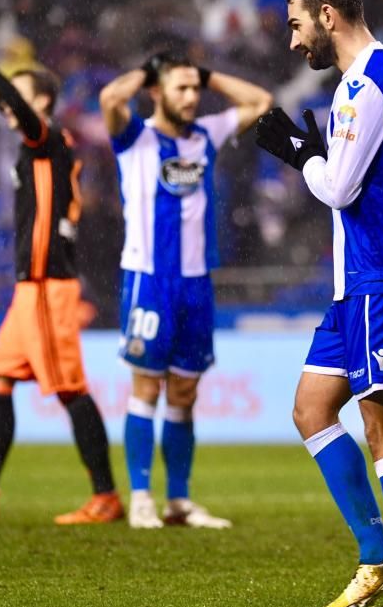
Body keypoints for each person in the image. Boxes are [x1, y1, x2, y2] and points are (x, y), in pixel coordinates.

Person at [255, 0, 383, 607]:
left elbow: (337, 188)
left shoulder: (367, 85)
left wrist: (296, 152)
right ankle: (376, 557)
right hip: (360, 282)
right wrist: (315, 152)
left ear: (328, 16)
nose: (292, 41)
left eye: (296, 23)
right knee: (312, 408)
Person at [0, 15, 123, 525]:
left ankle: (105, 496)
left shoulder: (49, 139)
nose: (8, 108)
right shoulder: (35, 145)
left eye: (18, 97)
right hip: (28, 291)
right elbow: (11, 106)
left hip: (47, 286)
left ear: (41, 102)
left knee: (70, 390)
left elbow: (16, 107)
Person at [99, 49, 272, 528]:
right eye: (182, 88)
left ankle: (178, 500)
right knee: (146, 387)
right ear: (157, 92)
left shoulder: (206, 136)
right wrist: (147, 69)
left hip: (197, 283)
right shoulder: (134, 139)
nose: (192, 97)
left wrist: (209, 73)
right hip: (148, 279)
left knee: (185, 391)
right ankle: (140, 497)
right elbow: (110, 96)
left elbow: (261, 101)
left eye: (196, 89)